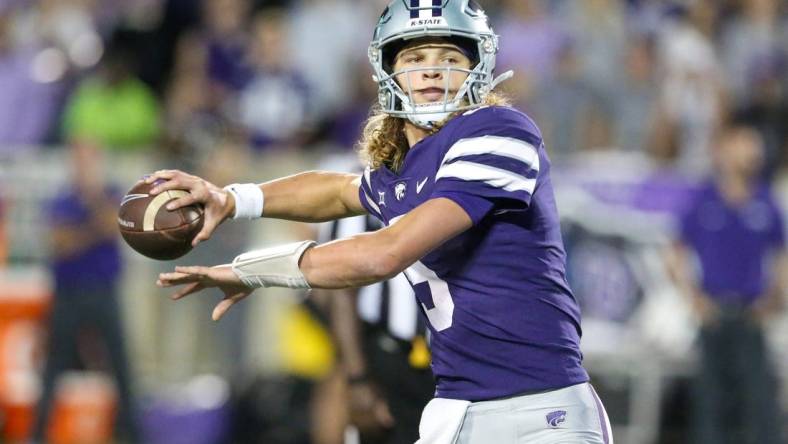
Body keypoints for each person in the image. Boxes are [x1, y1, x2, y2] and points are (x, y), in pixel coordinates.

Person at [149, 1, 612, 442]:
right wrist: (233, 199)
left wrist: (252, 269)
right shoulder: (404, 168)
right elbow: (335, 190)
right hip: (456, 404)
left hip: (538, 408)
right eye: (415, 56)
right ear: (388, 72)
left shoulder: (499, 132)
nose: (432, 68)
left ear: (478, 67)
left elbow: (383, 254)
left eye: (450, 55)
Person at [667, 120, 786, 444]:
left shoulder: (764, 200)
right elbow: (675, 250)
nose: (752, 153)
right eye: (744, 145)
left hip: (751, 312)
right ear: (724, 150)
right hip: (714, 312)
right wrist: (694, 298)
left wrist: (775, 296)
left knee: (760, 402)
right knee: (710, 403)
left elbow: (780, 254)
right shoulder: (704, 199)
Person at [33, 141, 140, 443]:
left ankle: (132, 434)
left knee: (121, 367)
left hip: (104, 291)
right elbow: (61, 243)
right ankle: (39, 434)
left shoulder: (110, 195)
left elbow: (112, 227)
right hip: (69, 293)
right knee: (54, 366)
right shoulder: (60, 199)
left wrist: (87, 215)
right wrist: (92, 228)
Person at [316, 212, 433, 444]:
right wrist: (357, 380)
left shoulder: (449, 183)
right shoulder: (364, 189)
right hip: (389, 356)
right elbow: (341, 291)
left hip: (451, 360)